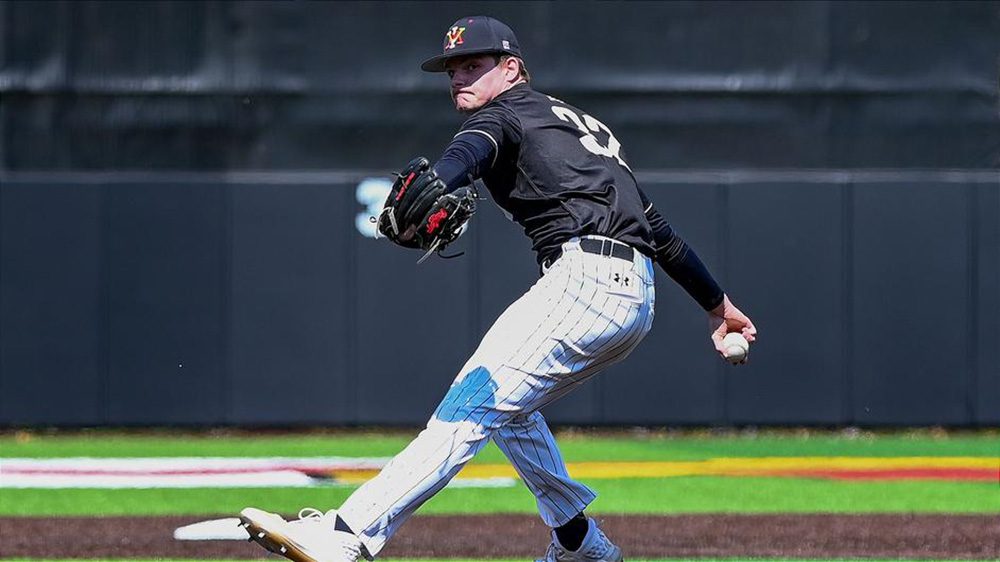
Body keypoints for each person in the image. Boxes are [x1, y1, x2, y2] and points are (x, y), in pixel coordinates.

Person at [239, 15, 757, 562]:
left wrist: (442, 178)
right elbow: (658, 229)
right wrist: (718, 307)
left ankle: (347, 535)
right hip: (631, 297)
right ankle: (577, 539)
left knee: (473, 400)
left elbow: (470, 152)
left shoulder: (503, 113)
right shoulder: (576, 125)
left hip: (586, 281)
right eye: (453, 69)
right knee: (512, 408)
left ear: (510, 68)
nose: (460, 77)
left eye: (474, 65)